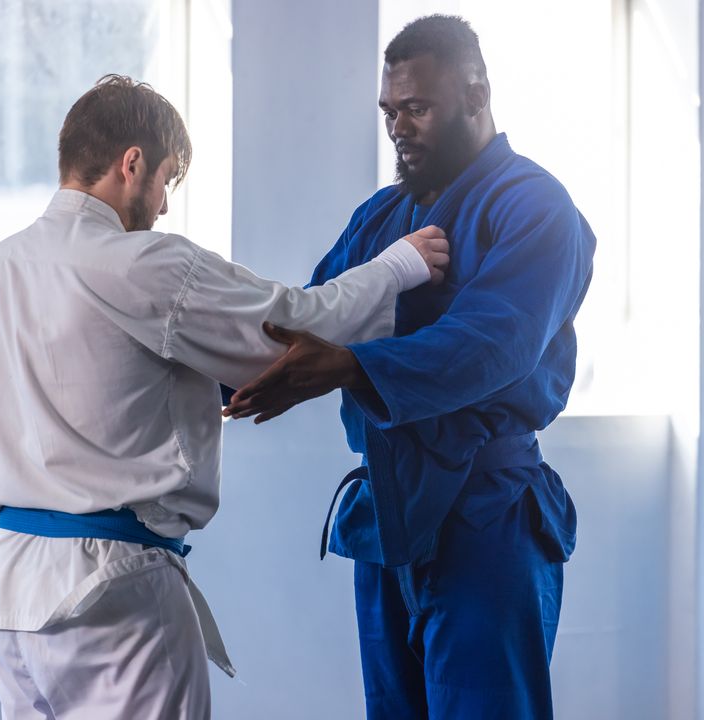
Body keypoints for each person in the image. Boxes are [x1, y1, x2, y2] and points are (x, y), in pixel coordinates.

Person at [0, 74, 449, 720]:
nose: (160, 207)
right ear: (132, 163)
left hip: (10, 595)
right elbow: (296, 324)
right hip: (116, 594)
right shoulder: (145, 264)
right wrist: (398, 265)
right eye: (165, 181)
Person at [224, 16, 596, 720]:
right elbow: (309, 318)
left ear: (476, 95)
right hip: (390, 519)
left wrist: (350, 367)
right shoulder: (381, 217)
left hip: (486, 516)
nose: (399, 127)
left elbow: (493, 342)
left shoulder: (535, 207)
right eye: (390, 112)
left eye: (417, 109)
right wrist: (204, 359)